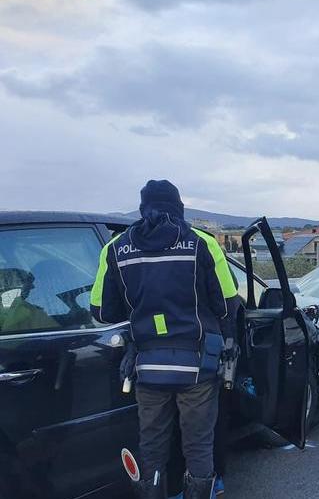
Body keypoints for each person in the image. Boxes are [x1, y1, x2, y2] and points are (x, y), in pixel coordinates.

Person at [90, 180, 239, 499]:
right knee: (198, 446)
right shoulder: (202, 243)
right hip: (198, 367)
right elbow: (228, 304)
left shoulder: (115, 248)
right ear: (179, 208)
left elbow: (102, 310)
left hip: (147, 367)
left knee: (152, 448)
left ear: (142, 208)